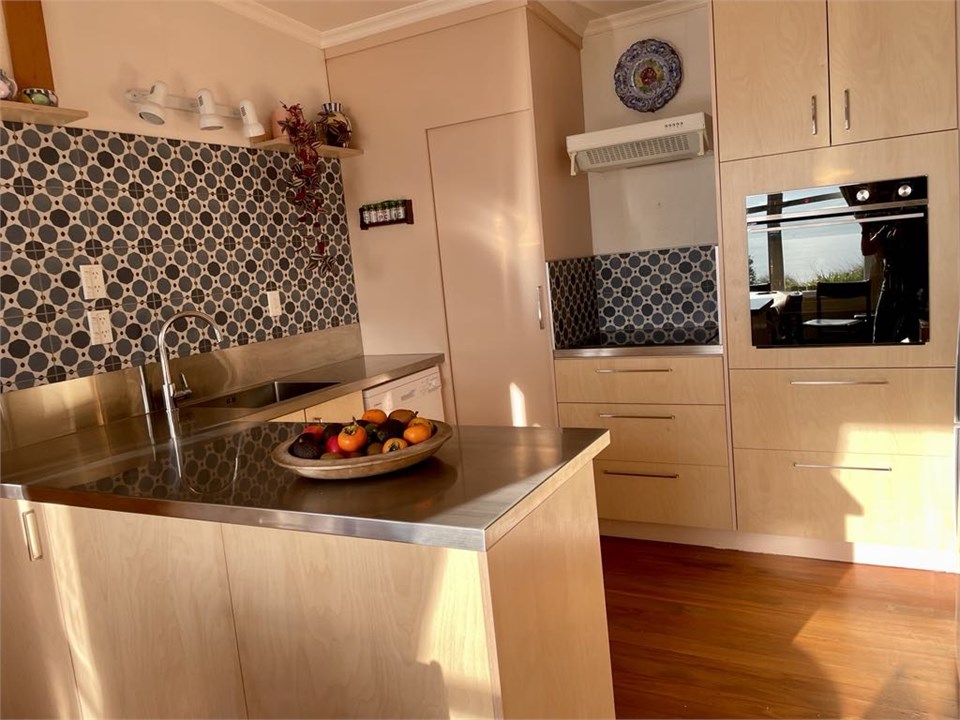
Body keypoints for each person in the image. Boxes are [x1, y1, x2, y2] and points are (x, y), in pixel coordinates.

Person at [860, 218, 927, 343]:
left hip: (914, 290)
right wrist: (865, 229)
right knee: (881, 334)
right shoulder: (888, 228)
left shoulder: (918, 227)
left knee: (913, 332)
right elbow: (867, 249)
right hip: (890, 288)